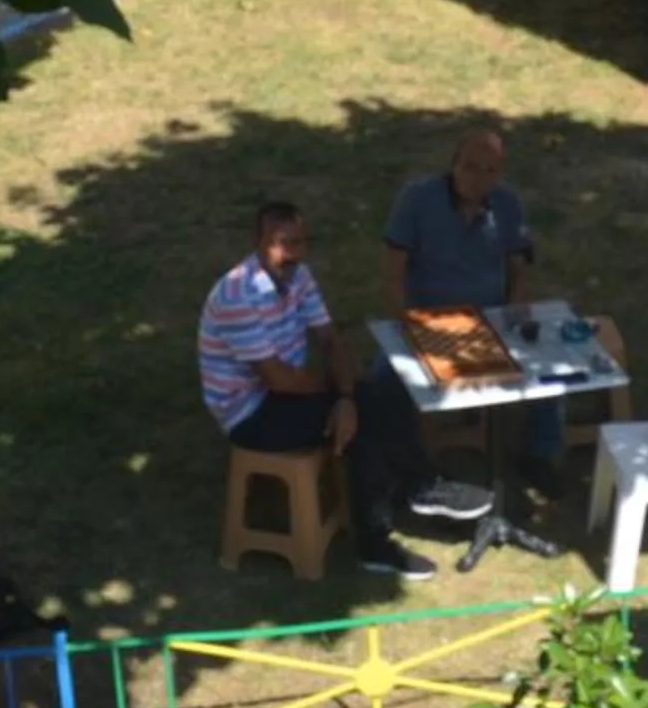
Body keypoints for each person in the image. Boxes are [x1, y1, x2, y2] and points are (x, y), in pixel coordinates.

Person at [200, 202, 490, 580]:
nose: (295, 254)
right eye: (283, 243)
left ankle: (397, 515)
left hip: (291, 394)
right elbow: (278, 379)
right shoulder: (237, 295)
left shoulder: (299, 277)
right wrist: (341, 396)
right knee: (368, 413)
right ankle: (414, 495)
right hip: (250, 413)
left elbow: (329, 338)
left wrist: (346, 397)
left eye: (301, 243)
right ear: (258, 242)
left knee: (373, 402)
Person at [380, 127, 573, 493]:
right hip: (429, 319)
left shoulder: (507, 204)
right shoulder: (416, 200)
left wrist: (516, 305)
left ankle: (539, 455)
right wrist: (407, 324)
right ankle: (406, 471)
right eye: (471, 167)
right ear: (453, 165)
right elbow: (393, 274)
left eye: (490, 170)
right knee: (383, 383)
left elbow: (519, 269)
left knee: (551, 368)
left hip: (490, 320)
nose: (479, 179)